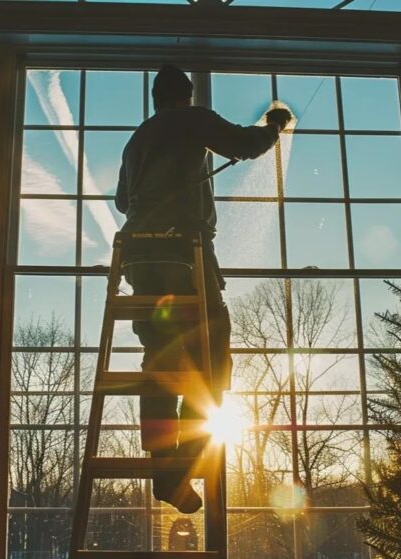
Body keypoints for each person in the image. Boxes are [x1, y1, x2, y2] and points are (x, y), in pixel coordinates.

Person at [114, 64, 291, 513]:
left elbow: (121, 201)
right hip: (183, 253)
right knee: (212, 356)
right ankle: (183, 463)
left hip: (139, 258)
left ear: (155, 97)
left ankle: (162, 462)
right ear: (187, 96)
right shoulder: (190, 119)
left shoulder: (137, 139)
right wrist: (273, 126)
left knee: (159, 358)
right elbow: (243, 144)